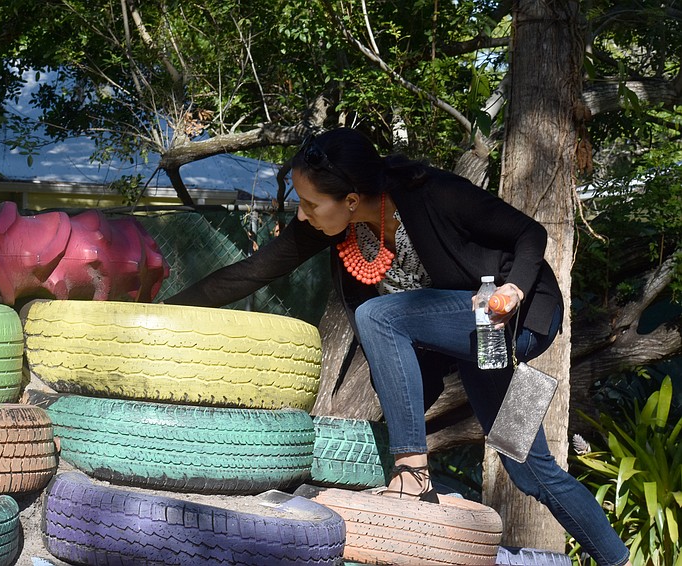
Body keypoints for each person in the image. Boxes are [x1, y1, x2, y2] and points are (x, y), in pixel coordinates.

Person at [165, 128, 631, 566]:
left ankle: (414, 475)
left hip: (513, 321)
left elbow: (530, 234)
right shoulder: (331, 224)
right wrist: (162, 310)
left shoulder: (433, 194)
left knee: (379, 315)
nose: (302, 215)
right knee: (532, 471)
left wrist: (513, 289)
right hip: (471, 344)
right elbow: (251, 271)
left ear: (350, 199)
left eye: (309, 204)